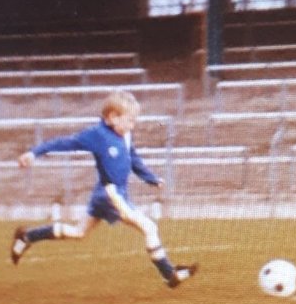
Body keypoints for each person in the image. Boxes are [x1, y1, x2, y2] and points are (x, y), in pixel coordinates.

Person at [10, 89, 197, 288]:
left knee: (79, 232)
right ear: (113, 117)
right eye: (130, 120)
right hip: (111, 195)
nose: (133, 125)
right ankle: (169, 275)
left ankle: (28, 236)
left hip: (106, 194)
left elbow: (132, 158)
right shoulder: (97, 135)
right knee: (149, 227)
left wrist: (150, 178)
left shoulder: (125, 134)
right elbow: (64, 143)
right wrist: (34, 153)